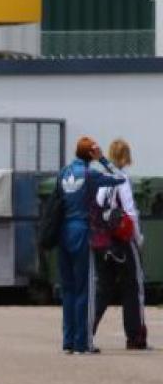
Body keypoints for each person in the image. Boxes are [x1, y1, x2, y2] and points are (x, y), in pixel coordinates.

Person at [55, 136, 124, 355]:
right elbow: (119, 178)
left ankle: (67, 341)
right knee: (84, 287)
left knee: (68, 289)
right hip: (82, 231)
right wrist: (103, 159)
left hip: (63, 232)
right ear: (91, 154)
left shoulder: (63, 172)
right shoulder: (90, 174)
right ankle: (83, 342)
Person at [93, 138, 149, 350]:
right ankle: (135, 336)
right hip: (122, 240)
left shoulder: (102, 179)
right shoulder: (122, 179)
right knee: (133, 286)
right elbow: (130, 211)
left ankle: (86, 332)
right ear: (126, 156)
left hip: (102, 240)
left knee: (103, 288)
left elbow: (97, 205)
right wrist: (138, 238)